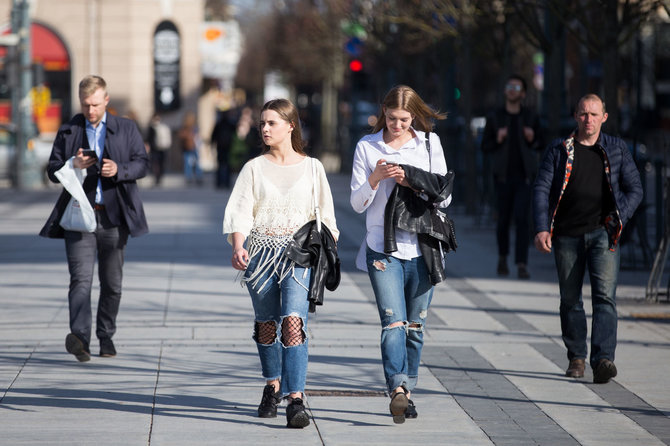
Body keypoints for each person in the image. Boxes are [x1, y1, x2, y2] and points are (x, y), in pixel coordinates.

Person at [222, 98, 338, 428]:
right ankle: (272, 385)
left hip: (298, 257)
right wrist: (238, 246)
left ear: (291, 126)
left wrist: (324, 253)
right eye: (262, 123)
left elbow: (326, 217)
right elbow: (240, 211)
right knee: (267, 324)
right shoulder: (254, 168)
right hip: (260, 255)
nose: (265, 128)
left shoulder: (312, 167)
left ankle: (296, 398)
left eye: (272, 122)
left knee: (292, 322)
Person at [350, 85, 452, 424]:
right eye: (392, 118)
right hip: (383, 248)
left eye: (404, 119)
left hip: (423, 247)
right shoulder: (367, 146)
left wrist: (411, 180)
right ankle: (397, 388)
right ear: (383, 112)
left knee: (415, 326)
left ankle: (408, 391)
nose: (397, 125)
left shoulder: (428, 143)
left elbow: (445, 196)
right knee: (393, 322)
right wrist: (377, 178)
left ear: (415, 117)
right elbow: (356, 203)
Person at [533, 94, 642, 383]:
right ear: (575, 116)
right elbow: (542, 190)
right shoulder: (559, 149)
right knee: (570, 299)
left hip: (603, 234)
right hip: (567, 235)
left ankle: (603, 359)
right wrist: (542, 228)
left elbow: (635, 189)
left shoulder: (616, 148)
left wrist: (620, 217)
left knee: (605, 298)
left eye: (594, 114)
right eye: (583, 114)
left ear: (604, 117)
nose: (588, 120)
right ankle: (577, 357)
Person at [39, 75, 149, 362]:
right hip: (79, 218)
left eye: (96, 105)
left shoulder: (125, 128)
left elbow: (143, 163)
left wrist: (120, 169)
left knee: (112, 284)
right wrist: (71, 164)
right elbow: (52, 170)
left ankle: (106, 335)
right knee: (80, 281)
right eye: (86, 105)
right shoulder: (69, 130)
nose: (90, 111)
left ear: (106, 100)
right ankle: (80, 339)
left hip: (113, 217)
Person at [481, 74, 543, 279]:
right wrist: (498, 139)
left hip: (525, 177)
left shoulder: (531, 116)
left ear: (523, 93)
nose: (512, 90)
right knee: (503, 220)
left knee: (522, 219)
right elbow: (485, 146)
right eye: (509, 86)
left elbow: (540, 144)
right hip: (502, 177)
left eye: (516, 87)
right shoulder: (495, 117)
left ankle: (522, 263)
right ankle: (502, 257)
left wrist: (532, 139)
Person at [177, 111, 203, 185]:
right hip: (190, 147)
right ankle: (195, 177)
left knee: (190, 163)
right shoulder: (187, 128)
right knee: (192, 163)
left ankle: (193, 177)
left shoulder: (193, 128)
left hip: (190, 147)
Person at [147, 113, 172, 186]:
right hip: (155, 148)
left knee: (160, 163)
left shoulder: (161, 127)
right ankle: (157, 178)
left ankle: (159, 177)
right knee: (156, 163)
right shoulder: (152, 128)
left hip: (161, 148)